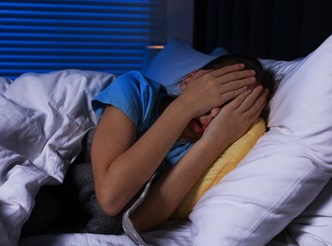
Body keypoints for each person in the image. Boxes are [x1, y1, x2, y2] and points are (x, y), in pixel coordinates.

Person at [90, 54, 273, 233]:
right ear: (191, 79)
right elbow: (110, 197)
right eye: (221, 95)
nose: (215, 112)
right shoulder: (136, 90)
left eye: (231, 108)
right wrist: (185, 105)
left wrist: (214, 141)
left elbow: (136, 221)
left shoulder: (198, 152)